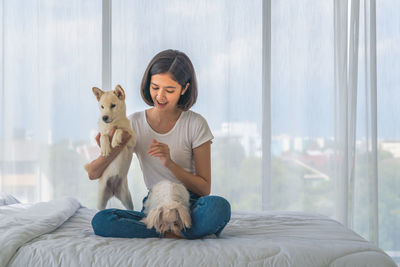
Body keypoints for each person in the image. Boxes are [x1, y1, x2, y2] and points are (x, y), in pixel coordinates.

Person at [87, 49, 231, 239]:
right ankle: (173, 231)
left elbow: (204, 189)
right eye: (155, 87)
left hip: (190, 204)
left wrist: (169, 163)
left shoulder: (195, 124)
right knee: (101, 221)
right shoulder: (134, 123)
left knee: (219, 208)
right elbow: (94, 173)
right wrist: (115, 148)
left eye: (169, 90)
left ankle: (164, 230)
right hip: (155, 204)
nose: (160, 96)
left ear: (184, 88)